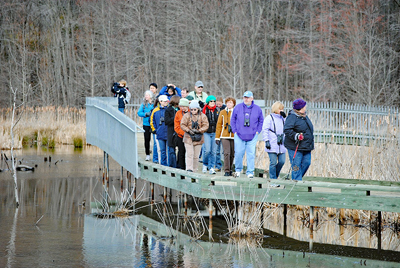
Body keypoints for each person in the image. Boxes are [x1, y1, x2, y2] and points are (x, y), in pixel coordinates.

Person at [230, 91, 264, 178]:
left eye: (248, 97)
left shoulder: (257, 109)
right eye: (245, 97)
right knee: (238, 153)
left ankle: (250, 172)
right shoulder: (237, 107)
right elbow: (233, 119)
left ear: (252, 98)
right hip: (239, 135)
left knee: (251, 154)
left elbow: (261, 120)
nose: (246, 99)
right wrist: (235, 131)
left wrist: (258, 131)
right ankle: (238, 170)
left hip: (252, 135)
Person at [283, 98, 314, 181]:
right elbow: (287, 130)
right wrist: (296, 135)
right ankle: (296, 184)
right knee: (296, 166)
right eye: (304, 106)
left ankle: (296, 179)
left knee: (306, 163)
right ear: (301, 107)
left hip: (306, 146)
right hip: (295, 146)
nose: (305, 107)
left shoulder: (304, 116)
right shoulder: (292, 117)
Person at [180, 100, 209, 172]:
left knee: (196, 156)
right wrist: (188, 130)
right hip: (188, 137)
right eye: (191, 109)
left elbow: (206, 125)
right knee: (189, 154)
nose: (193, 111)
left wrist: (199, 130)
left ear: (198, 109)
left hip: (199, 138)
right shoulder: (186, 115)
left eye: (195, 109)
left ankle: (194, 170)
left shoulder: (203, 116)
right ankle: (189, 169)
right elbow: (182, 124)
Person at [262, 101, 287, 179]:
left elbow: (288, 127)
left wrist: (285, 117)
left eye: (282, 109)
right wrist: (266, 141)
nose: (282, 110)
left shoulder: (283, 118)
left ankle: (275, 175)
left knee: (282, 161)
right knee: (273, 162)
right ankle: (273, 179)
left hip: (281, 143)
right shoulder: (269, 118)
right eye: (280, 109)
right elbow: (265, 130)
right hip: (272, 142)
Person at [215, 97, 236, 176]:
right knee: (226, 152)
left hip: (234, 135)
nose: (229, 104)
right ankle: (226, 170)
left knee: (232, 153)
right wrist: (217, 137)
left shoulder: (236, 112)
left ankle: (230, 169)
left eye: (230, 102)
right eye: (227, 102)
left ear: (233, 104)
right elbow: (219, 125)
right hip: (224, 135)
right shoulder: (223, 112)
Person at [201, 95, 219, 174]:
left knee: (213, 151)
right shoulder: (204, 110)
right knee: (207, 150)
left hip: (214, 132)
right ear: (208, 102)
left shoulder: (217, 110)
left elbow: (219, 121)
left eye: (214, 101)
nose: (213, 103)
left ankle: (211, 167)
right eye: (211, 101)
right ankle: (205, 164)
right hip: (206, 132)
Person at [152, 95, 169, 166]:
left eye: (166, 101)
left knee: (168, 150)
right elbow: (152, 121)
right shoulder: (155, 110)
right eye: (164, 101)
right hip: (160, 133)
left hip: (168, 133)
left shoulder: (168, 109)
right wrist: (155, 130)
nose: (166, 102)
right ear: (160, 102)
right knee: (162, 151)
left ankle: (169, 165)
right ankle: (163, 165)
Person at [137, 90, 154, 161]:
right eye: (145, 95)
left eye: (147, 95)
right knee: (147, 139)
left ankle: (156, 156)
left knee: (156, 140)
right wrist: (145, 114)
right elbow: (139, 113)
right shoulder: (143, 104)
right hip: (146, 124)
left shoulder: (154, 103)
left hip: (154, 124)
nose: (146, 96)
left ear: (151, 96)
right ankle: (147, 154)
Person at [174, 98, 190, 170]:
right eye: (181, 106)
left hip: (190, 136)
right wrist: (183, 133)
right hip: (181, 136)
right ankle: (181, 167)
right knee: (181, 152)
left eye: (183, 106)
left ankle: (189, 167)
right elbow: (176, 126)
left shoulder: (191, 112)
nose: (182, 108)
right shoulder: (178, 113)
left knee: (189, 152)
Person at [165, 95, 180, 168]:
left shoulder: (180, 110)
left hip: (179, 131)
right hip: (171, 131)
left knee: (180, 151)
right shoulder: (168, 110)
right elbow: (166, 121)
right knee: (171, 151)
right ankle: (172, 166)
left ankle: (179, 165)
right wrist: (175, 118)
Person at [214, 96, 226, 171]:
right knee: (217, 150)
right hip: (217, 131)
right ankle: (218, 165)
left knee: (225, 150)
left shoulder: (225, 109)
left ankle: (226, 166)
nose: (218, 106)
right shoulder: (214, 109)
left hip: (224, 131)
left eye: (220, 104)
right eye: (217, 104)